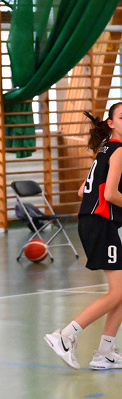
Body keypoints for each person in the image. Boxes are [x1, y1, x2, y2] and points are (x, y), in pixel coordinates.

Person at [45, 102, 122, 371]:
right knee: (118, 291)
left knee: (121, 291)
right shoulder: (119, 150)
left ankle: (105, 353)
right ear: (111, 123)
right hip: (100, 224)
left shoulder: (105, 149)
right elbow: (110, 194)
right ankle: (66, 336)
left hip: (94, 223)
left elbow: (82, 191)